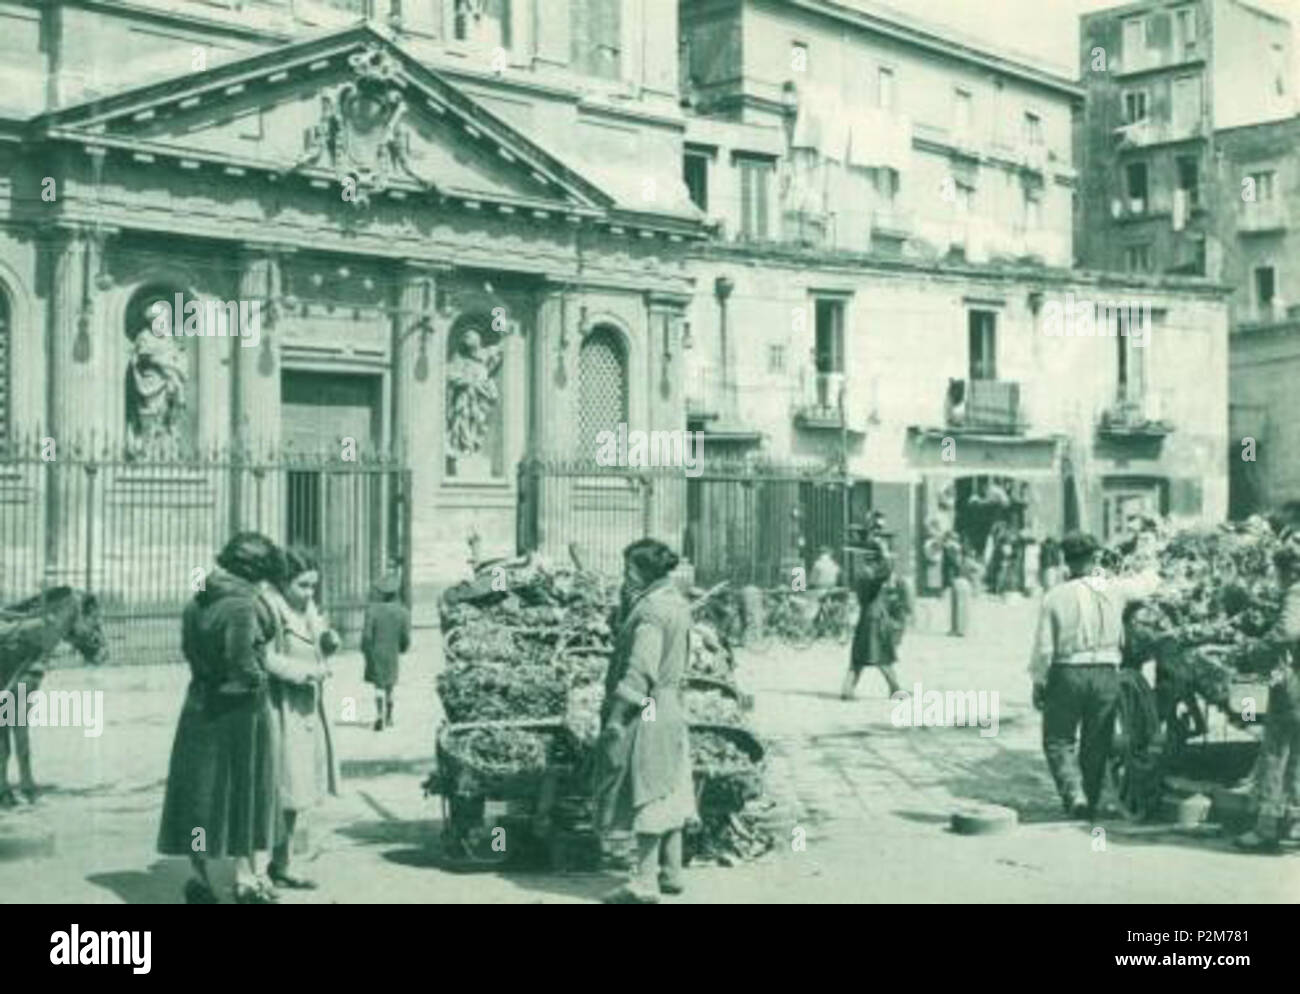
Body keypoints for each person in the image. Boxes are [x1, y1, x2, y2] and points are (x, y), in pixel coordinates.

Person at [158, 532, 286, 904]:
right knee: (244, 796)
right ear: (254, 572)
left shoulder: (197, 601)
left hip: (199, 706)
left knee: (200, 797)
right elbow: (242, 662)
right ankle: (246, 881)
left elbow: (188, 650)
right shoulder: (241, 606)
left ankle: (200, 880)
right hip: (239, 713)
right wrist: (260, 680)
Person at [1029, 531, 1159, 820]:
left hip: (1067, 672)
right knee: (1096, 741)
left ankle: (1074, 793)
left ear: (1067, 562)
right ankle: (1092, 799)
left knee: (1058, 739)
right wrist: (1149, 558)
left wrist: (1039, 682)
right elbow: (1148, 584)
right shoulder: (1114, 588)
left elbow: (1043, 648)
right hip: (1106, 673)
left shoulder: (1054, 597)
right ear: (1094, 558)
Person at [594, 538, 695, 904]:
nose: (624, 576)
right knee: (672, 785)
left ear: (640, 571)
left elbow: (640, 670)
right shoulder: (676, 602)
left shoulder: (651, 611)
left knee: (647, 789)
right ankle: (672, 872)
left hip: (649, 708)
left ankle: (645, 883)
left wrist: (617, 719)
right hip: (672, 704)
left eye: (627, 569)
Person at [262, 548, 341, 889]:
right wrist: (306, 673)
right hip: (279, 707)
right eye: (303, 585)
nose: (310, 593)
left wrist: (329, 642)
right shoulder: (269, 607)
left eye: (314, 586)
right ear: (283, 581)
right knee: (279, 789)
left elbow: (319, 640)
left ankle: (285, 863)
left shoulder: (307, 608)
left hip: (306, 709)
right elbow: (263, 658)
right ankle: (260, 867)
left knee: (297, 792)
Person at [1236, 535, 1300, 852]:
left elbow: (1288, 630)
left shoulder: (1296, 591)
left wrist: (1257, 649)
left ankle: (1266, 829)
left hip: (1295, 684)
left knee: (1278, 750)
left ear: (1288, 571)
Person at [842, 537, 910, 699]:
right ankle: (895, 689)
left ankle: (847, 690)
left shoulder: (862, 573)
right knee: (882, 655)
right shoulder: (870, 574)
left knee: (858, 658)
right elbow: (886, 571)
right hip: (875, 618)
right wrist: (885, 552)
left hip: (866, 617)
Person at [361, 572, 411, 732]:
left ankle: (379, 715)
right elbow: (405, 637)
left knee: (378, 686)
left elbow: (367, 636)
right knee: (390, 686)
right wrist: (402, 648)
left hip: (375, 652)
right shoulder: (403, 612)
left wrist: (365, 651)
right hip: (392, 653)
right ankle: (389, 715)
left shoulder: (372, 610)